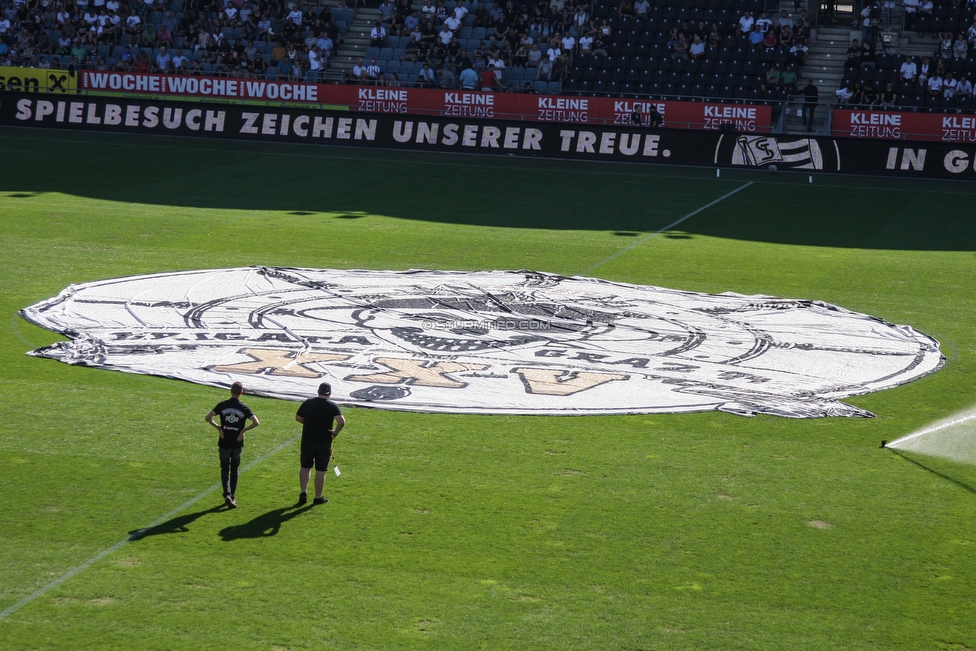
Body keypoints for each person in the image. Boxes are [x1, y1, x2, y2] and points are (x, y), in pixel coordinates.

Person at [205, 382, 259, 509]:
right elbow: (256, 422)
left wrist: (218, 428)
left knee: (224, 469)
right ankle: (233, 496)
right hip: (237, 442)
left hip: (224, 441)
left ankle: (226, 494)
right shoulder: (244, 407)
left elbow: (208, 418)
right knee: (234, 470)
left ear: (230, 391)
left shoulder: (222, 405)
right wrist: (243, 431)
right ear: (242, 392)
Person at [295, 382, 345, 505]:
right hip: (323, 441)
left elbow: (298, 418)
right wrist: (335, 432)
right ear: (330, 393)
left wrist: (309, 423)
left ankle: (303, 492)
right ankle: (318, 497)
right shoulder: (332, 406)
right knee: (321, 470)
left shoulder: (308, 403)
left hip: (307, 440)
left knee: (305, 467)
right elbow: (341, 421)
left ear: (318, 391)